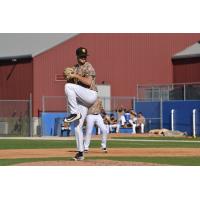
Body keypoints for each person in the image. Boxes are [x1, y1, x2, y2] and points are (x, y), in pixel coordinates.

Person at [64, 47, 98, 161]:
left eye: (85, 56)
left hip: (90, 94)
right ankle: (80, 153)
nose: (83, 58)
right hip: (82, 99)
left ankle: (74, 113)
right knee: (77, 126)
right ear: (77, 56)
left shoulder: (88, 66)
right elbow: (71, 83)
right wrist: (68, 76)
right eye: (81, 56)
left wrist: (75, 76)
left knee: (68, 87)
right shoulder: (74, 68)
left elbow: (88, 82)